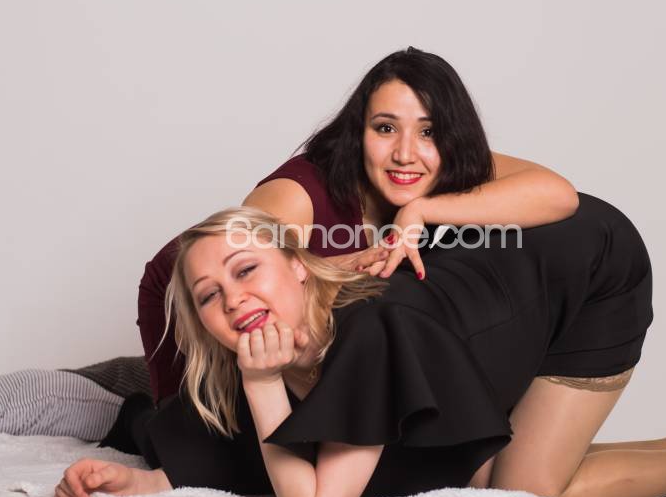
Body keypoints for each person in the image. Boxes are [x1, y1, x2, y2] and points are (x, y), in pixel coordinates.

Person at [57, 207, 666, 497]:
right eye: (209, 295)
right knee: (466, 470)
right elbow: (225, 450)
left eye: (246, 270)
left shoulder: (370, 333)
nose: (233, 298)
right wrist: (140, 482)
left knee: (521, 487)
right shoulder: (248, 357)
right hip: (482, 303)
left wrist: (263, 387)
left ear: (296, 264)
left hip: (583, 271)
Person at [138, 47, 579, 402]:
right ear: (359, 133)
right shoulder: (295, 198)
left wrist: (420, 212)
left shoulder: (440, 167)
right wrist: (351, 263)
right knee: (201, 441)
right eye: (385, 128)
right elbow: (247, 284)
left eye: (428, 132)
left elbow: (559, 194)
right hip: (185, 299)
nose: (405, 153)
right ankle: (127, 396)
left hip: (305, 349)